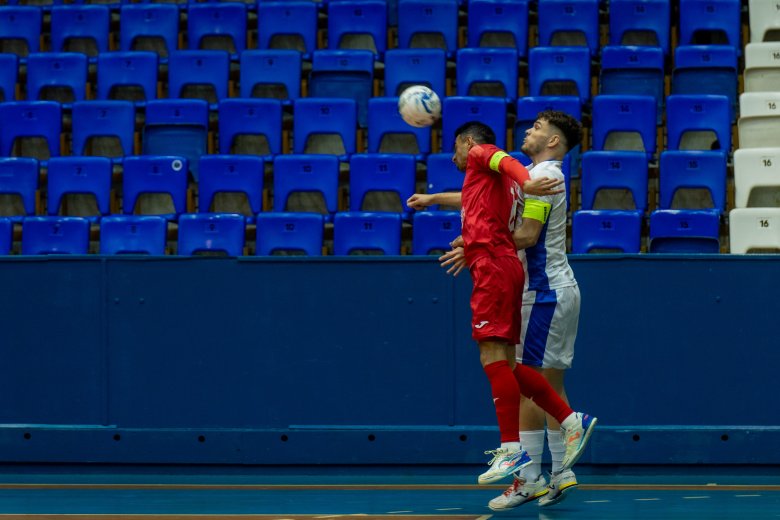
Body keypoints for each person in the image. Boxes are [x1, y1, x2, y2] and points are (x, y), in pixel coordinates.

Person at [408, 112, 586, 511]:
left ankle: (532, 474)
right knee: (534, 379)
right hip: (537, 287)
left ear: (554, 141)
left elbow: (526, 235)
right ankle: (553, 471)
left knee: (521, 378)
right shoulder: (529, 172)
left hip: (544, 290)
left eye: (537, 127)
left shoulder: (542, 177)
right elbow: (481, 198)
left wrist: (477, 242)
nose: (528, 130)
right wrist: (440, 203)